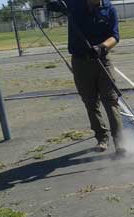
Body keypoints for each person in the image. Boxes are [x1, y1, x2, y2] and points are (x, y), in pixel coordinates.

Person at [46, 0, 126, 156]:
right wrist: (52, 4)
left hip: (102, 60)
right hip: (80, 62)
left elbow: (115, 36)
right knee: (90, 102)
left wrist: (101, 47)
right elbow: (53, 3)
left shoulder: (109, 9)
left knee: (111, 100)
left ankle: (120, 142)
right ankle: (102, 137)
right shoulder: (73, 4)